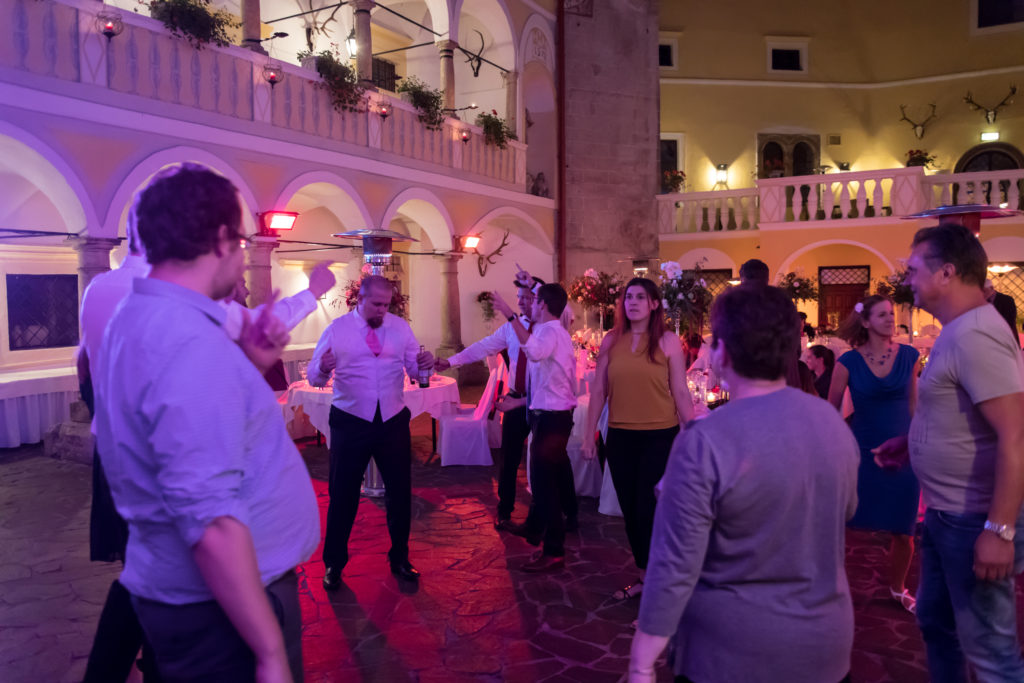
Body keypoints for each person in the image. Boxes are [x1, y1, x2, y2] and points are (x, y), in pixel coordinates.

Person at [93, 163, 318, 682]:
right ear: (220, 239)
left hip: (193, 595)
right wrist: (269, 652)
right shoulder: (187, 342)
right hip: (223, 607)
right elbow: (210, 521)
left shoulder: (138, 314)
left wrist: (250, 363)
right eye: (240, 241)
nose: (241, 255)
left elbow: (181, 427)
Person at [629, 284, 858, 683]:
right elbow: (847, 509)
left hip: (730, 652)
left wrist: (642, 660)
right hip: (824, 644)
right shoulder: (830, 422)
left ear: (722, 352)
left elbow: (675, 564)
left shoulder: (705, 441)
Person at [876, 222, 1024, 682]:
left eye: (914, 269)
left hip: (972, 516)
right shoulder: (960, 331)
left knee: (990, 651)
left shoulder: (976, 334)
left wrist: (998, 531)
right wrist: (915, 442)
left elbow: (1016, 434)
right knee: (938, 626)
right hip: (947, 514)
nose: (908, 280)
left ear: (947, 273)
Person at [309, 275, 434, 587]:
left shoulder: (400, 328)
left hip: (392, 420)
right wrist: (323, 367)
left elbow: (415, 371)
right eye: (377, 304)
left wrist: (425, 364)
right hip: (350, 421)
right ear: (360, 299)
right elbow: (314, 378)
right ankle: (334, 563)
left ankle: (400, 558)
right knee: (342, 494)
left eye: (387, 305)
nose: (382, 310)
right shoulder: (337, 329)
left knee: (400, 493)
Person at [582, 278, 694, 600]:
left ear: (654, 304)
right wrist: (589, 435)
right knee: (630, 512)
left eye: (640, 297)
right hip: (620, 436)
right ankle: (646, 577)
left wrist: (694, 433)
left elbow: (680, 390)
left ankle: (662, 580)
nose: (632, 302)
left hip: (660, 436)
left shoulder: (668, 341)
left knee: (648, 509)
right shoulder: (611, 340)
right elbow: (599, 391)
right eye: (628, 297)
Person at [828, 294, 920, 613]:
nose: (890, 319)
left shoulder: (910, 356)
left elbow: (914, 406)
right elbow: (830, 412)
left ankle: (898, 587)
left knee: (904, 529)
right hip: (862, 453)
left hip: (904, 453)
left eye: (891, 314)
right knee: (846, 525)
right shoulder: (847, 362)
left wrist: (918, 444)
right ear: (865, 322)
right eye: (882, 315)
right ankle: (833, 587)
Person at [435, 270, 540, 528]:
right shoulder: (510, 328)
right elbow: (482, 347)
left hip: (542, 401)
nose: (522, 302)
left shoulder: (549, 328)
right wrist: (450, 361)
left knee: (551, 458)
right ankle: (504, 511)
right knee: (509, 458)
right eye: (520, 297)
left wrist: (534, 284)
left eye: (528, 297)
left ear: (539, 299)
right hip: (515, 399)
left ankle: (567, 511)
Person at [491, 283, 578, 572]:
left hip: (553, 419)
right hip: (549, 415)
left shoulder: (550, 332)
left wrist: (509, 314)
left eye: (534, 299)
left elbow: (535, 352)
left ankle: (554, 551)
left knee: (543, 486)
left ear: (542, 304)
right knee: (545, 480)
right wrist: (519, 404)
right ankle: (534, 527)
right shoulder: (550, 330)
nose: (528, 304)